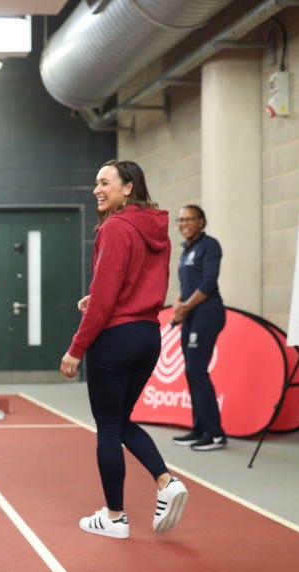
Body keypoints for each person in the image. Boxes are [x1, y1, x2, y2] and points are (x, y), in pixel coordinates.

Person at [60, 159, 188, 539]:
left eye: (105, 182)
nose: (97, 189)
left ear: (128, 186)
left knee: (108, 427)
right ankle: (166, 481)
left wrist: (76, 348)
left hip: (115, 338)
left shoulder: (115, 227)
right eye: (95, 182)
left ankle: (114, 517)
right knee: (121, 420)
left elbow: (108, 294)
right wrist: (96, 297)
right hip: (148, 334)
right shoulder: (156, 229)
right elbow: (129, 284)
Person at [170, 204, 227, 451]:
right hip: (191, 315)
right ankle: (199, 429)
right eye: (181, 220)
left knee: (197, 371)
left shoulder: (210, 245)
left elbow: (208, 282)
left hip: (208, 313)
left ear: (201, 222)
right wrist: (180, 302)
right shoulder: (186, 250)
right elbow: (188, 284)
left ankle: (215, 434)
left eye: (190, 219)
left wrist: (186, 307)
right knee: (191, 372)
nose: (184, 223)